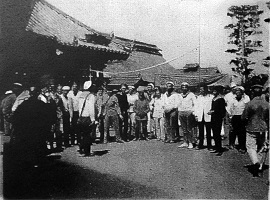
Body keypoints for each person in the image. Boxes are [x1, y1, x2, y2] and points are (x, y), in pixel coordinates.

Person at [12, 86, 51, 165]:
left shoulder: (23, 105)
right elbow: (48, 119)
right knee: (38, 148)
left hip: (27, 131)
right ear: (37, 94)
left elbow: (16, 118)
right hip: (38, 132)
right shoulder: (42, 104)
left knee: (28, 148)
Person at [242, 84, 269, 177]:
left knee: (250, 146)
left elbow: (244, 116)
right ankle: (260, 167)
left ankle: (255, 161)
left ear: (252, 92)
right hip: (263, 127)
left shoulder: (250, 103)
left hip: (252, 127)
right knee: (262, 147)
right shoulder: (267, 104)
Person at [77, 81, 98, 156]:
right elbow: (91, 108)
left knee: (83, 134)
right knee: (87, 135)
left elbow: (79, 107)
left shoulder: (81, 95)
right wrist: (93, 119)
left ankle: (81, 148)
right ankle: (87, 151)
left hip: (81, 117)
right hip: (87, 117)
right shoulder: (91, 96)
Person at [228, 86, 250, 153]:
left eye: (239, 91)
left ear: (242, 93)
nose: (237, 93)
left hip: (242, 117)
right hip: (235, 117)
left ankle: (242, 146)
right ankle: (232, 143)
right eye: (236, 91)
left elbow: (247, 108)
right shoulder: (233, 100)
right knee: (233, 131)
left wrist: (246, 117)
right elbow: (230, 109)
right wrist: (230, 118)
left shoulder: (245, 99)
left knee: (242, 133)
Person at [208, 86, 226, 156]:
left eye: (215, 91)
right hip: (213, 117)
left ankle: (219, 149)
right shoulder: (214, 99)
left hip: (218, 118)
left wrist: (214, 112)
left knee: (217, 134)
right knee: (214, 133)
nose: (213, 92)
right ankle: (216, 147)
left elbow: (222, 110)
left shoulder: (221, 99)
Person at [194, 86, 213, 150]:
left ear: (206, 89)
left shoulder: (211, 97)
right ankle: (200, 144)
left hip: (208, 116)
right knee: (201, 131)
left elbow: (212, 106)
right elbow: (196, 106)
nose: (201, 90)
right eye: (200, 89)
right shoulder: (199, 97)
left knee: (208, 132)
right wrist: (196, 115)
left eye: (202, 89)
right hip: (200, 116)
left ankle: (209, 145)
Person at [178, 82, 196, 149]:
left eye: (185, 87)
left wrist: (192, 111)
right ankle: (185, 142)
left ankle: (191, 142)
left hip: (189, 112)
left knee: (189, 129)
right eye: (183, 87)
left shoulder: (191, 94)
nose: (184, 88)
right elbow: (178, 104)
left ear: (188, 88)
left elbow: (195, 103)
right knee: (184, 128)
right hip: (181, 112)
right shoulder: (179, 95)